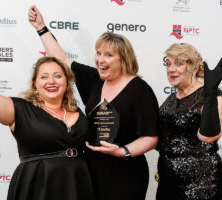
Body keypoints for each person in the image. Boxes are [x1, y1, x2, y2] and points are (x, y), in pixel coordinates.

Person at [28, 5, 159, 200]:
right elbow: (62, 59)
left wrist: (122, 151)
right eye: (98, 53)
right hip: (90, 169)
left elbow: (151, 137)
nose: (100, 60)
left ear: (123, 59)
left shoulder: (140, 90)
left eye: (108, 55)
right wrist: (41, 28)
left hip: (126, 173)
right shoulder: (94, 80)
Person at [0, 16, 96, 200]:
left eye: (58, 76)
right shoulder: (20, 110)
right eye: (44, 77)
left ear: (67, 82)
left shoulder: (79, 113)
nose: (51, 81)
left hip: (77, 185)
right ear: (35, 84)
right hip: (37, 187)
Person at [156, 43, 222, 200]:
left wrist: (210, 92)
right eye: (168, 63)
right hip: (167, 180)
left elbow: (208, 136)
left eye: (179, 63)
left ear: (193, 68)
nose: (171, 69)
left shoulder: (214, 96)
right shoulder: (171, 99)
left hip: (200, 182)